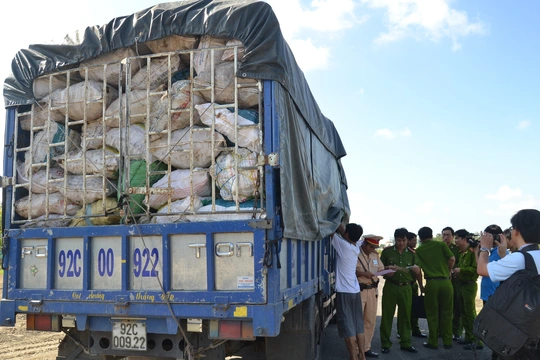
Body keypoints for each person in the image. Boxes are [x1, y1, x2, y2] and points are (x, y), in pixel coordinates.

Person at [477, 209, 540, 360]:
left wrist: (484, 248)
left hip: (518, 329)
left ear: (517, 231)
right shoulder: (532, 256)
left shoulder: (519, 258)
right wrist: (503, 254)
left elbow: (482, 269)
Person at [414, 226, 455, 350]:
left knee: (432, 314)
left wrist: (421, 286)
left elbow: (417, 269)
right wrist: (448, 271)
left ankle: (433, 341)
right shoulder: (441, 245)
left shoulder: (419, 250)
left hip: (431, 283)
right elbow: (452, 258)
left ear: (420, 238)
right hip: (446, 283)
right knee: (447, 313)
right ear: (431, 235)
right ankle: (447, 341)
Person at [379, 228, 419, 354]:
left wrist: (417, 269)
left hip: (406, 287)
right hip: (391, 286)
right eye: (398, 240)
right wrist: (386, 269)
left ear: (407, 240)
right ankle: (385, 344)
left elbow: (417, 271)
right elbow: (379, 269)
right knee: (387, 315)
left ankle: (405, 342)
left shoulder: (412, 254)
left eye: (403, 240)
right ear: (394, 239)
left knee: (405, 315)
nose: (401, 243)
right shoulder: (387, 252)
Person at [332, 223, 367, 360]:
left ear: (346, 235)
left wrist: (337, 224)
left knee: (348, 326)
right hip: (355, 291)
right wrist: (345, 230)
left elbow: (331, 231)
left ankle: (353, 357)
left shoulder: (344, 246)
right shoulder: (356, 247)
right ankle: (362, 356)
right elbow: (348, 234)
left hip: (344, 292)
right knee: (358, 324)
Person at [478, 225, 509, 360]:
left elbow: (485, 270)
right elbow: (479, 269)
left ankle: (497, 354)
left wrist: (484, 248)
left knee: (497, 329)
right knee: (491, 328)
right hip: (487, 295)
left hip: (496, 296)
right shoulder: (489, 253)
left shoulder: (503, 254)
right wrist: (478, 251)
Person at [452, 229, 483, 350]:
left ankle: (476, 341)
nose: (456, 240)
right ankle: (469, 338)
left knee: (470, 313)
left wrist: (461, 270)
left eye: (457, 238)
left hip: (469, 285)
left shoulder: (472, 251)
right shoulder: (461, 253)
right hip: (460, 284)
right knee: (463, 313)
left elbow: (475, 269)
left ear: (464, 239)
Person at [357, 234, 385, 358]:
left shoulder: (375, 255)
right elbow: (349, 270)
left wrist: (386, 272)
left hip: (372, 290)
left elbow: (380, 269)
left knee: (370, 321)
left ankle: (366, 348)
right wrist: (363, 273)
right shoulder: (355, 254)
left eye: (374, 247)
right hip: (359, 290)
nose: (373, 249)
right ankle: (356, 350)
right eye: (371, 247)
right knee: (358, 321)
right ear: (365, 244)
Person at [396, 232, 427, 338]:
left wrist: (421, 286)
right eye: (413, 240)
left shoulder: (414, 253)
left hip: (413, 285)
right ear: (407, 240)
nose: (415, 242)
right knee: (403, 309)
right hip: (404, 285)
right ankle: (401, 331)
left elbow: (418, 272)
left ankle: (415, 329)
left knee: (415, 308)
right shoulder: (402, 254)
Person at [442, 226, 462, 341]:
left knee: (456, 307)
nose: (445, 237)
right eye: (444, 235)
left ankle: (456, 331)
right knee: (443, 307)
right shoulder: (439, 248)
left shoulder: (456, 249)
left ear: (453, 237)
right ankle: (443, 330)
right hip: (442, 280)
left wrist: (453, 271)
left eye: (448, 235)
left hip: (454, 280)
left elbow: (459, 263)